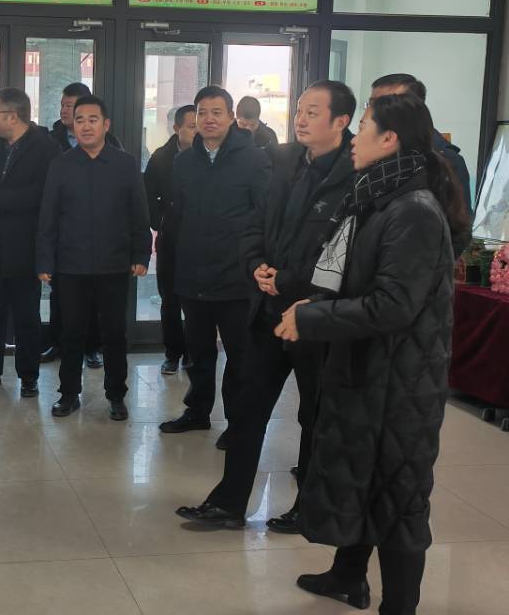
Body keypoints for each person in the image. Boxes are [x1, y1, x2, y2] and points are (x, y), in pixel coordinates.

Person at [274, 92, 469, 614]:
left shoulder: (414, 211)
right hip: (366, 370)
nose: (353, 140)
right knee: (360, 480)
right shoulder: (377, 196)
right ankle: (348, 577)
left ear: (390, 139)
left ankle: (399, 605)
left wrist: (313, 319)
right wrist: (314, 302)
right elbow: (352, 279)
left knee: (399, 498)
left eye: (362, 128)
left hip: (400, 383)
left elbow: (393, 305)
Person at [175, 81, 358, 532]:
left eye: (313, 112)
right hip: (269, 307)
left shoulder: (356, 174)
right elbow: (257, 222)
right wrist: (255, 264)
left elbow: (343, 252)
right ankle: (229, 502)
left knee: (314, 413)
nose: (301, 119)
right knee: (248, 405)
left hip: (316, 313)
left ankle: (309, 506)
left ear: (341, 121)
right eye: (300, 110)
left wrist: (289, 280)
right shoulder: (284, 160)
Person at [159, 86, 271, 447]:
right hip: (193, 273)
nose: (208, 119)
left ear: (231, 117)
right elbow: (178, 216)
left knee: (240, 357)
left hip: (236, 276)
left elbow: (265, 216)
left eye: (216, 112)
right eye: (202, 113)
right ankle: (197, 412)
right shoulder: (184, 162)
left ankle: (237, 424)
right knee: (199, 353)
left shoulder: (253, 160)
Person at [37, 95, 151, 420]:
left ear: (106, 124)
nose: (86, 126)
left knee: (114, 334)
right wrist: (44, 260)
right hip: (70, 265)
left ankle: (116, 395)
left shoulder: (125, 164)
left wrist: (141, 253)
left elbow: (139, 213)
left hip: (114, 264)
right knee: (71, 332)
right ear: (72, 125)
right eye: (80, 120)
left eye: (93, 119)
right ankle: (68, 394)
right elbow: (48, 216)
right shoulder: (61, 165)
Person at [0, 88, 60, 396]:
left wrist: (1, 201)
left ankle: (28, 376)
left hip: (24, 248)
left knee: (26, 316)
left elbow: (45, 193)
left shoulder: (46, 148)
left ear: (12, 116)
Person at [41, 82, 115, 369]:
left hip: (99, 238)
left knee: (93, 300)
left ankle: (92, 347)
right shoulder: (51, 141)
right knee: (59, 296)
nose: (65, 111)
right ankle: (57, 343)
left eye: (70, 106)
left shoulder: (111, 145)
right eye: (63, 105)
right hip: (63, 237)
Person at [369, 74, 473, 224]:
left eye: (388, 104)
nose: (374, 112)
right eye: (372, 104)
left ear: (415, 107)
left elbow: (460, 225)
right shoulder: (369, 151)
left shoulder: (447, 160)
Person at [144, 104, 196, 374]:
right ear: (177, 129)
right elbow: (147, 194)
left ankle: (194, 352)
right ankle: (173, 352)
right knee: (170, 299)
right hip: (171, 238)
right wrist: (159, 221)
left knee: (196, 301)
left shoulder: (210, 157)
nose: (197, 131)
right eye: (191, 126)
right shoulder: (161, 158)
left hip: (201, 241)